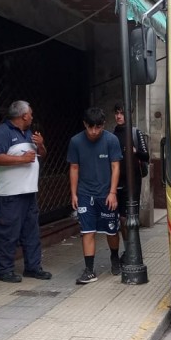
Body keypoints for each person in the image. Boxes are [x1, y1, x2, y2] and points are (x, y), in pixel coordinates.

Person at [0, 100, 52, 282]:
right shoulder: (3, 132)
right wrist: (22, 160)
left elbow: (42, 155)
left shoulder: (29, 133)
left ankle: (33, 267)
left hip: (28, 192)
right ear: (23, 115)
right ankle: (3, 270)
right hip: (9, 194)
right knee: (7, 233)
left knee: (31, 233)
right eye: (30, 113)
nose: (32, 116)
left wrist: (41, 145)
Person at [67, 106, 123, 284]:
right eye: (90, 127)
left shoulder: (111, 140)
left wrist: (112, 193)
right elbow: (74, 168)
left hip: (106, 194)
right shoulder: (76, 142)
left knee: (111, 231)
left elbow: (116, 166)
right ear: (85, 124)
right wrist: (74, 194)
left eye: (98, 127)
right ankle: (89, 270)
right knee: (87, 232)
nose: (93, 132)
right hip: (85, 194)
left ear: (103, 125)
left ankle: (114, 257)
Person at [112, 104, 150, 274]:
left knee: (129, 217)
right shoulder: (112, 135)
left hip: (133, 182)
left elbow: (146, 155)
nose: (119, 116)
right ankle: (128, 250)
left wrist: (134, 150)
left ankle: (131, 251)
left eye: (122, 113)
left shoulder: (135, 133)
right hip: (117, 183)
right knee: (121, 219)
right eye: (117, 113)